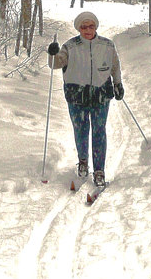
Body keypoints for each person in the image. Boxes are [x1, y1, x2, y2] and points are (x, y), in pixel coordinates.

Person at [47, 11, 123, 188]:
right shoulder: (70, 46)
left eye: (91, 26)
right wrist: (52, 53)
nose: (88, 30)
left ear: (96, 26)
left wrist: (118, 84)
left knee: (99, 131)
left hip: (100, 94)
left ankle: (99, 170)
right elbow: (55, 64)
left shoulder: (107, 45)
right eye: (83, 27)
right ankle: (82, 162)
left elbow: (115, 66)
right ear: (78, 28)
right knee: (80, 130)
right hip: (76, 95)